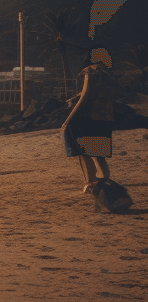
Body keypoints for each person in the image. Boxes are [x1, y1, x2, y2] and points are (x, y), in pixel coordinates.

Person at [62, 47, 118, 193]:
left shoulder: (91, 71)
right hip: (105, 117)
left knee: (83, 151)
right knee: (98, 153)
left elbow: (85, 96)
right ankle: (105, 182)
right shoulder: (107, 72)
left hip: (88, 118)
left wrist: (69, 118)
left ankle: (90, 183)